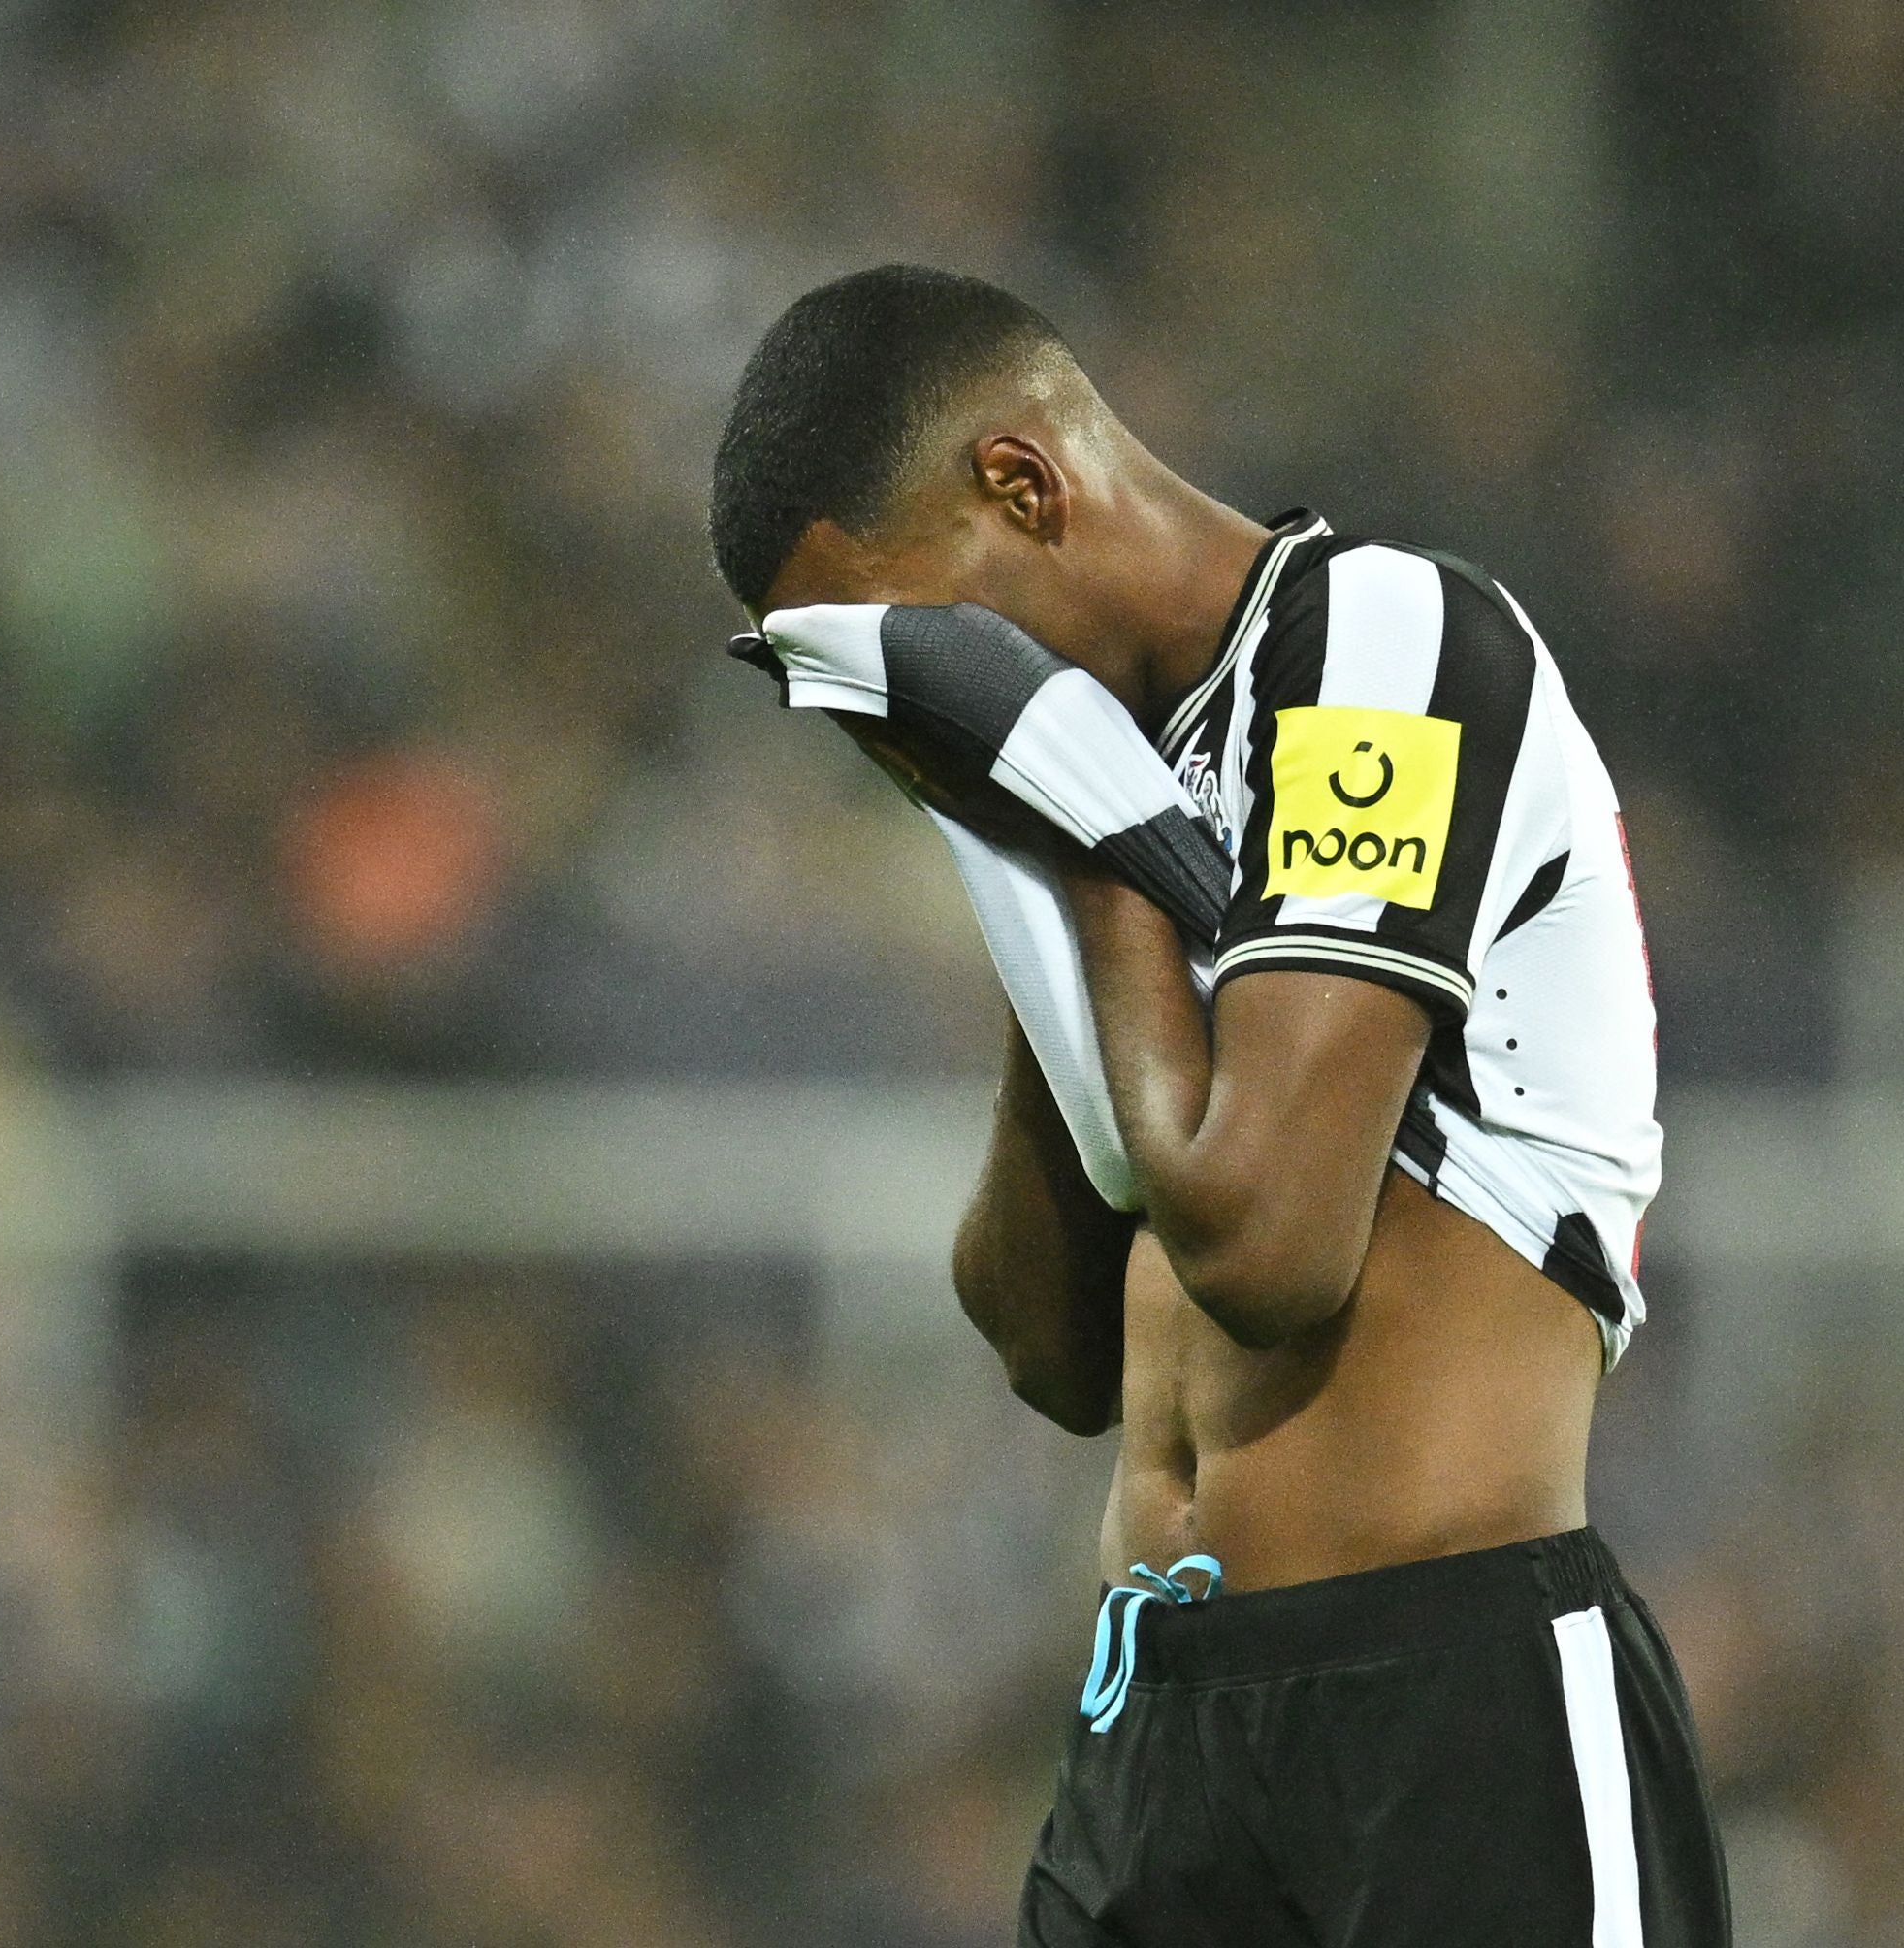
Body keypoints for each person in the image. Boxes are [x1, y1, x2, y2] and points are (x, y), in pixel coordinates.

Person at [706, 266, 1731, 1946]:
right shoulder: (1110, 770)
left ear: (1022, 487)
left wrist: (1102, 843)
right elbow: (1050, 1344)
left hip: (1450, 1701)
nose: (918, 724)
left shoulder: (1382, 648)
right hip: (1159, 1729)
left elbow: (1266, 1247)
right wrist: (1044, 836)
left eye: (917, 644)